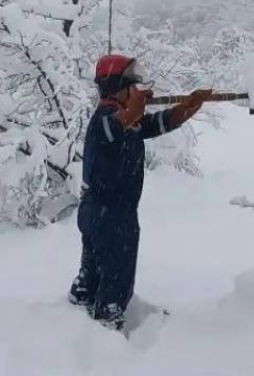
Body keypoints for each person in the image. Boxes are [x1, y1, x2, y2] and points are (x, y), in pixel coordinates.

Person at [69, 54, 212, 329]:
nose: (137, 91)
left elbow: (155, 123)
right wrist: (135, 108)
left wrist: (188, 106)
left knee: (94, 271)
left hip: (98, 210)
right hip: (109, 214)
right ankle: (108, 325)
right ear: (116, 88)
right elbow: (120, 123)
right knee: (117, 275)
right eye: (132, 86)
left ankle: (80, 301)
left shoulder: (125, 121)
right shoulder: (105, 120)